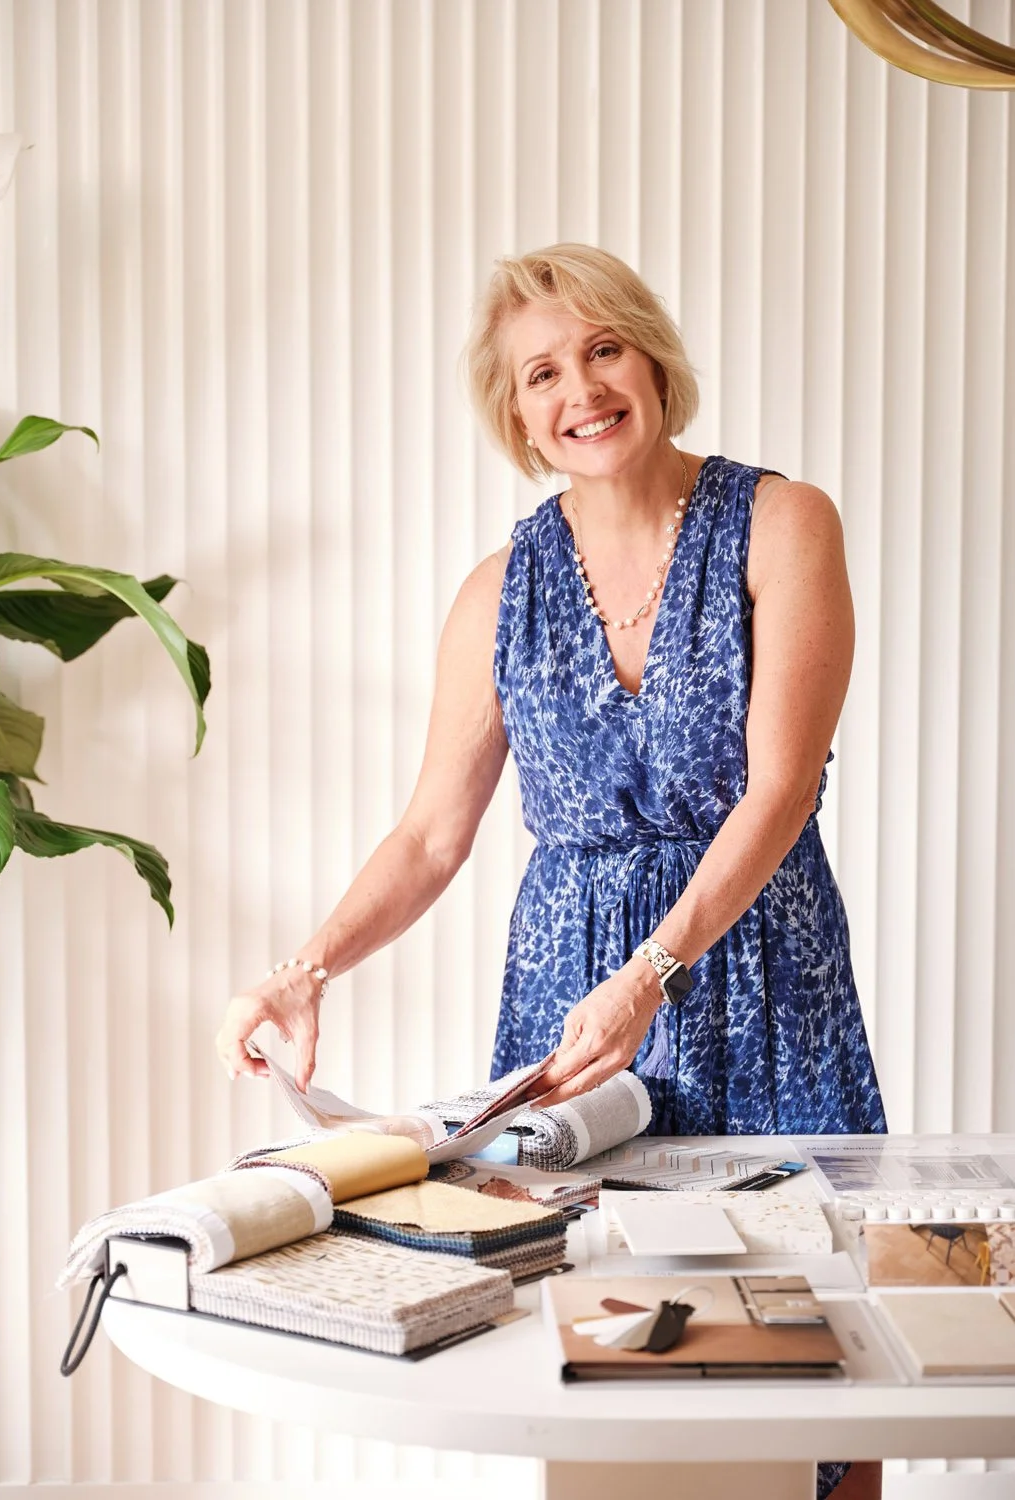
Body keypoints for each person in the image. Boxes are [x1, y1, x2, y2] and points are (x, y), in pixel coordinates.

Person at [215, 243, 886, 1500]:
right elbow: (429, 834)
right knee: (599, 1352)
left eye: (603, 348)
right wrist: (303, 972)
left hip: (754, 980)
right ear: (514, 410)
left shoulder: (782, 522)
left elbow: (781, 788)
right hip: (573, 1026)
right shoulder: (498, 592)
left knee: (809, 1352)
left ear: (653, 360)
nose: (581, 387)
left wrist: (652, 972)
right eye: (543, 371)